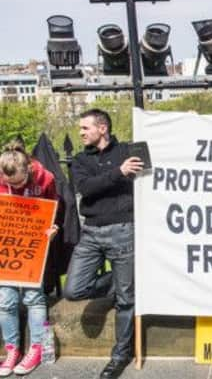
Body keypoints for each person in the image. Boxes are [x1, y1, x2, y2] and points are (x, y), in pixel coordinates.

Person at [63, 109, 143, 379]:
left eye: (86, 128)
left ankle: (120, 355)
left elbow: (153, 178)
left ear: (103, 128)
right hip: (92, 232)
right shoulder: (80, 159)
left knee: (126, 300)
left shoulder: (127, 150)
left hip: (124, 231)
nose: (81, 133)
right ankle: (115, 282)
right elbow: (86, 188)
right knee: (73, 290)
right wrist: (119, 173)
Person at [0, 140, 58, 377]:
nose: (15, 186)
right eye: (8, 183)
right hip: (7, 245)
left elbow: (54, 207)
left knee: (34, 296)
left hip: (34, 244)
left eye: (20, 182)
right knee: (5, 299)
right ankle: (11, 350)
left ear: (29, 170)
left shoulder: (46, 178)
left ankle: (36, 348)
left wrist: (52, 229)